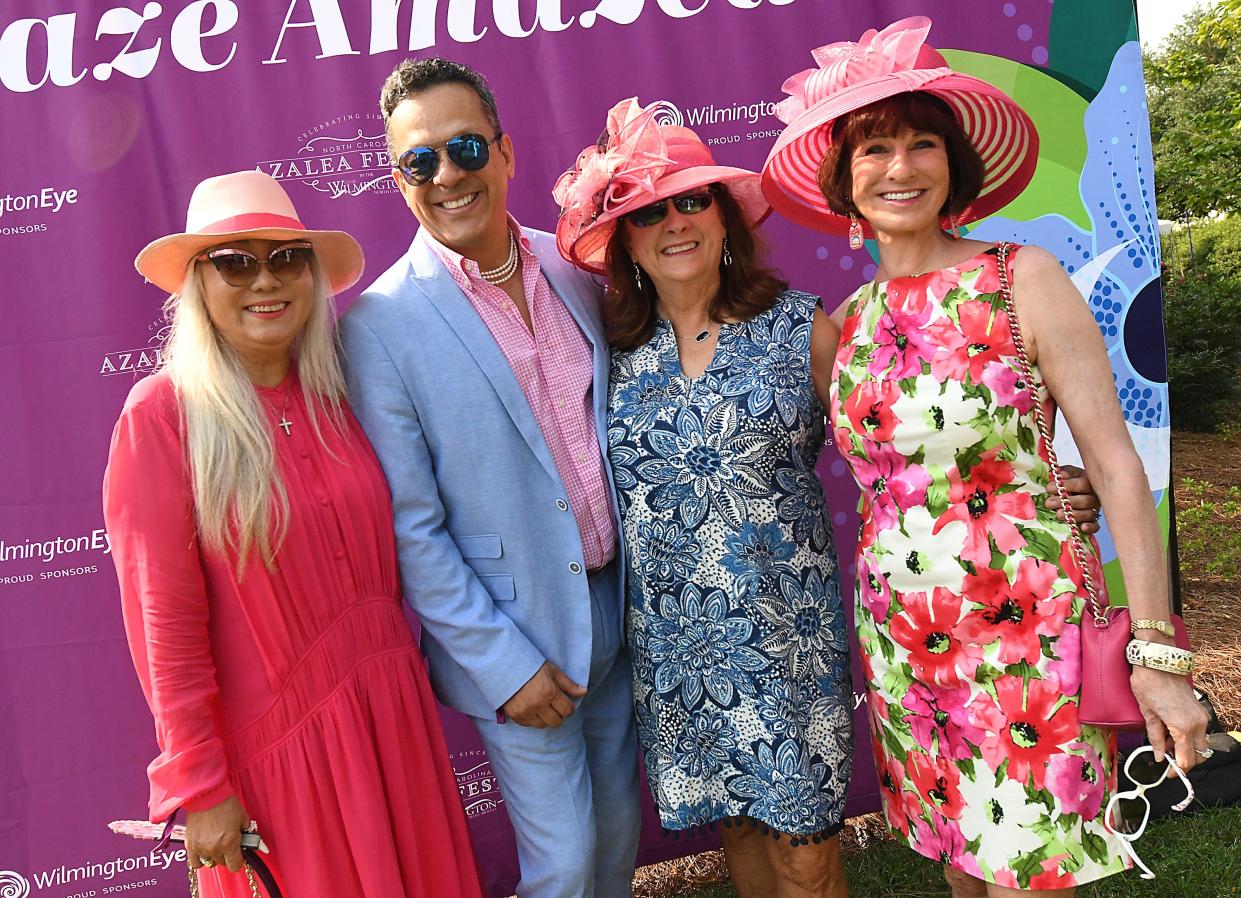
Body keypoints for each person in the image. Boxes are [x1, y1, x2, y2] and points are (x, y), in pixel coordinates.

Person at [760, 16, 1210, 897]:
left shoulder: (1020, 277)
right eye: (873, 149)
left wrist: (1156, 653)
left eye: (921, 143)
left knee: (1026, 875)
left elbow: (1114, 466)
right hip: (904, 638)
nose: (899, 167)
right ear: (844, 186)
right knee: (962, 868)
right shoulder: (840, 328)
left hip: (1027, 634)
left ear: (953, 168)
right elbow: (892, 483)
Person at [103, 170, 483, 898]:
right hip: (283, 762)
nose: (264, 280)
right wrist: (202, 785)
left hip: (390, 722)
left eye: (285, 257)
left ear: (311, 274)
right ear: (196, 285)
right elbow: (165, 627)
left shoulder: (343, 390)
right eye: (235, 261)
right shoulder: (161, 416)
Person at [337, 59, 640, 898]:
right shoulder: (378, 326)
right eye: (418, 162)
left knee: (616, 844)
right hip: (515, 640)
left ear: (504, 153)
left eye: (465, 147)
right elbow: (411, 526)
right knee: (565, 865)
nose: (446, 176)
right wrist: (504, 667)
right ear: (399, 182)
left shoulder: (579, 267)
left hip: (618, 611)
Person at [554, 97, 856, 898]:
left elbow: (895, 457)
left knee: (805, 847)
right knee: (742, 829)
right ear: (624, 241)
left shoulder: (799, 328)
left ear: (725, 219)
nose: (675, 222)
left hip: (787, 636)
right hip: (681, 645)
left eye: (693, 200)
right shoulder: (608, 355)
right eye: (648, 211)